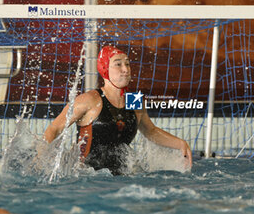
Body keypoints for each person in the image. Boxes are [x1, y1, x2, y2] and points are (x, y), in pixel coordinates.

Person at [44, 45, 192, 175]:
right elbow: (54, 129)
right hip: (86, 178)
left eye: (127, 64)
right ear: (104, 69)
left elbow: (150, 131)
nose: (125, 69)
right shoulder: (90, 100)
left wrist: (180, 143)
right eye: (118, 64)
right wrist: (43, 162)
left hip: (123, 178)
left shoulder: (134, 100)